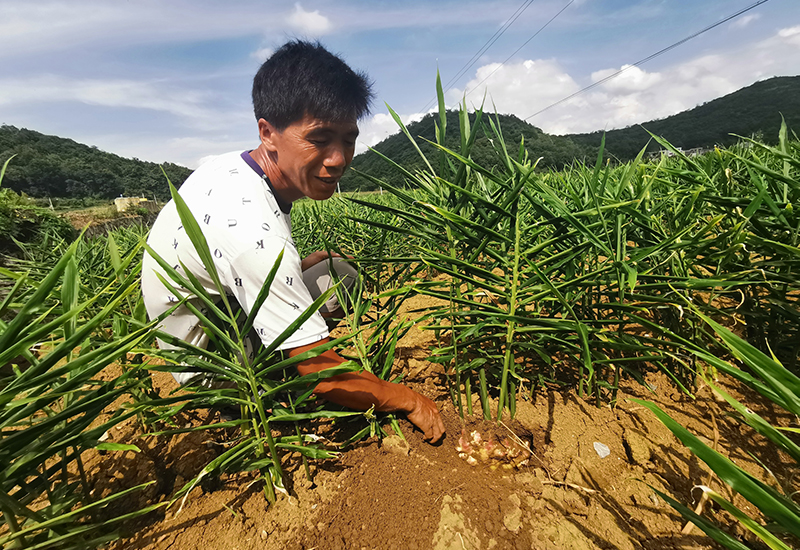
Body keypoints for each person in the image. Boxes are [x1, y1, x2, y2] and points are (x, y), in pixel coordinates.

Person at [141, 40, 445, 443]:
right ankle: (259, 398)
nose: (338, 158)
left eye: (348, 139)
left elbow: (230, 262)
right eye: (319, 138)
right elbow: (322, 371)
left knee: (334, 270)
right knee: (330, 308)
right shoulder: (251, 231)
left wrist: (293, 269)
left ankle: (288, 354)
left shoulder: (233, 167)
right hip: (213, 364)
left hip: (212, 317)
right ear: (268, 133)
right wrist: (407, 399)